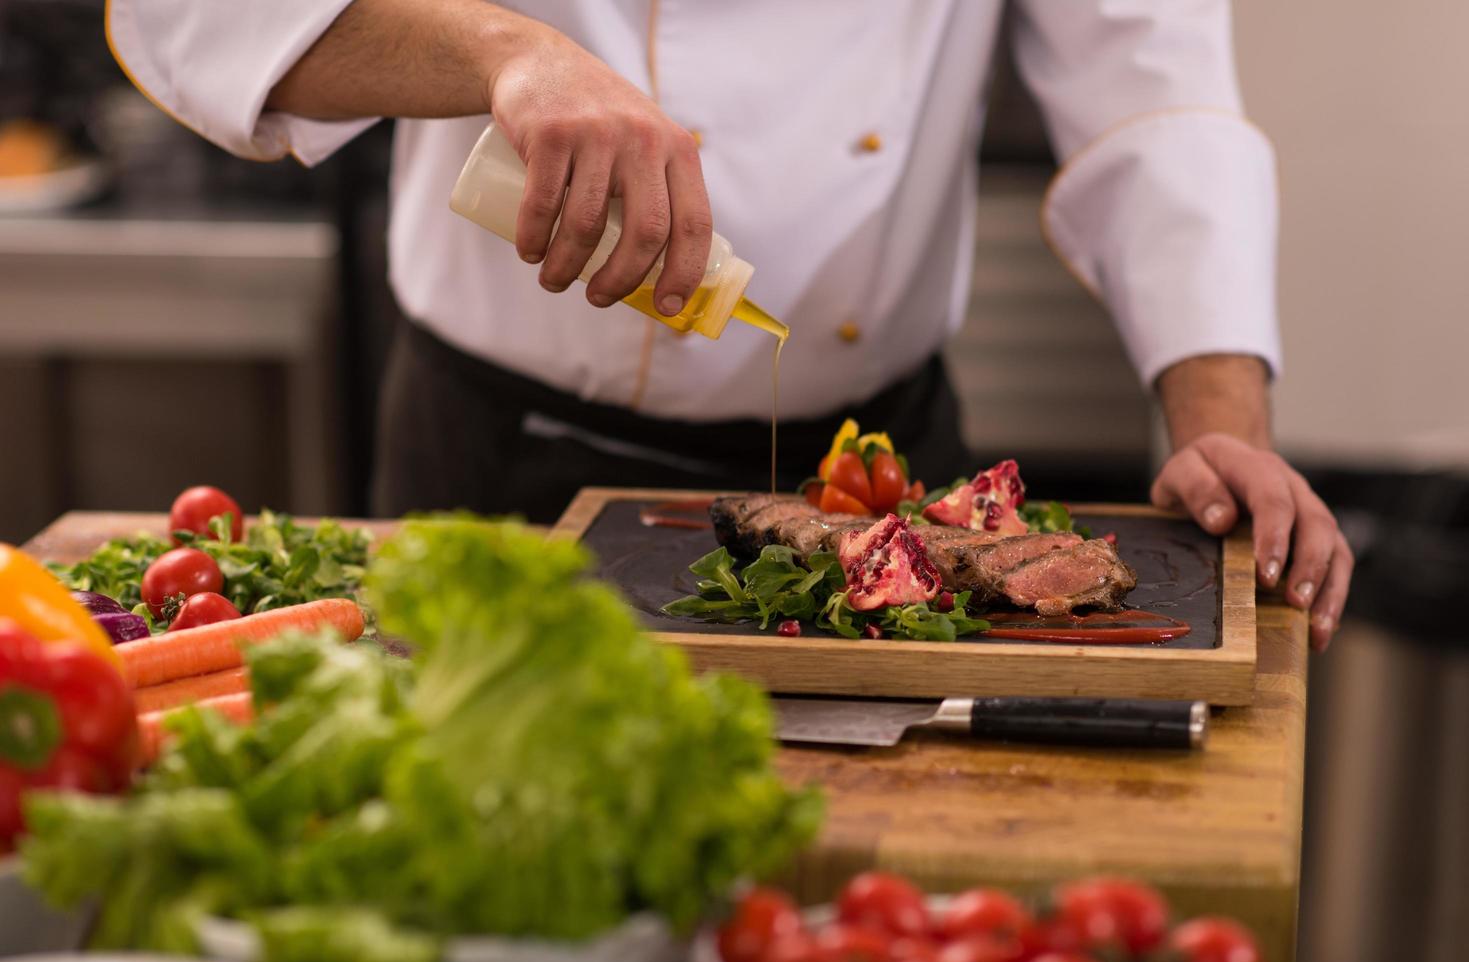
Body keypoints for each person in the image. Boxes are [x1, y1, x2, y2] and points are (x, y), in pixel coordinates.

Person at [107, 0, 1350, 650]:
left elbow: (1153, 91)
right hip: (497, 453)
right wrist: (505, 50)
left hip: (872, 480)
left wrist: (1219, 417)